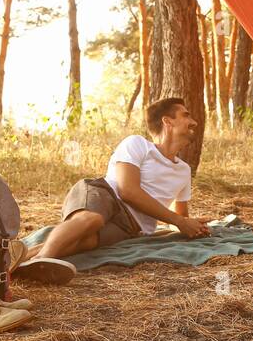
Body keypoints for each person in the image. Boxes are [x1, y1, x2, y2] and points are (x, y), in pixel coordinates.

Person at [13, 98, 211, 284]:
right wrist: (179, 221)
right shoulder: (137, 144)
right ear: (168, 121)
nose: (194, 122)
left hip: (130, 227)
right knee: (92, 220)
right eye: (186, 115)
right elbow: (128, 191)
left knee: (87, 240)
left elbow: (181, 216)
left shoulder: (184, 170)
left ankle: (14, 264)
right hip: (105, 194)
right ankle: (42, 259)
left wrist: (193, 226)